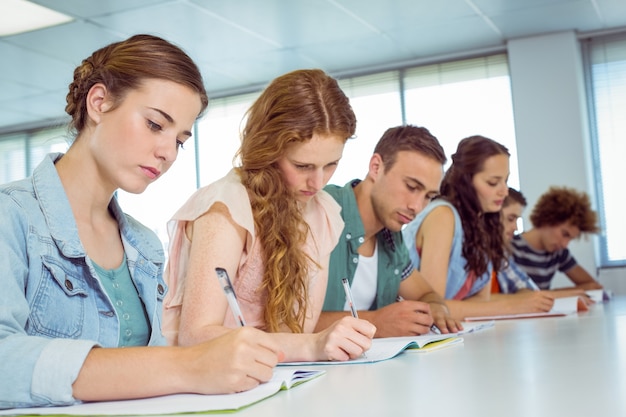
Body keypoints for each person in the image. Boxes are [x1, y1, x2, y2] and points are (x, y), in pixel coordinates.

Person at [0, 34, 284, 410]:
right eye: (154, 124)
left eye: (180, 140)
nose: (167, 152)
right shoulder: (12, 217)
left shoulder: (143, 244)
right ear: (99, 103)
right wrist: (188, 366)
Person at [163, 69, 376, 363]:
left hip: (275, 377)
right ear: (268, 150)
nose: (318, 182)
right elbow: (195, 336)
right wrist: (311, 346)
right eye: (302, 166)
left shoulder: (324, 212)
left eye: (331, 165)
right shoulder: (226, 206)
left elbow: (300, 330)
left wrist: (316, 343)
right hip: (206, 383)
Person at [315, 125, 461, 337]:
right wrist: (375, 322)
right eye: (411, 187)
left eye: (429, 196)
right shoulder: (320, 210)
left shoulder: (391, 238)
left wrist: (437, 309)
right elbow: (283, 320)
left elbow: (427, 295)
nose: (417, 207)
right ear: (376, 167)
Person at [402, 136, 553, 320]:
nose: (504, 191)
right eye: (493, 182)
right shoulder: (442, 215)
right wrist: (513, 305)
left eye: (505, 181)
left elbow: (481, 301)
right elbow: (433, 309)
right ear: (466, 182)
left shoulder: (483, 225)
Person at [510, 186, 603, 291]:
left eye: (570, 239)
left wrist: (550, 294)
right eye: (565, 234)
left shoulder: (559, 253)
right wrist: (555, 294)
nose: (565, 244)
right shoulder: (510, 248)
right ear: (548, 219)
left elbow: (592, 285)